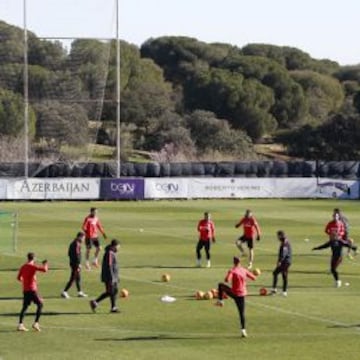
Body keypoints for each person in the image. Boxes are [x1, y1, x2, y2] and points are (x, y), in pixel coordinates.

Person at [215, 256, 257, 338]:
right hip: (242, 295)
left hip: (234, 293)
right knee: (241, 313)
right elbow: (254, 278)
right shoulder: (244, 270)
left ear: (234, 262)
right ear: (240, 262)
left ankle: (220, 301)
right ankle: (243, 330)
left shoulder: (233, 270)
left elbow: (227, 280)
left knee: (220, 285)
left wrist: (229, 274)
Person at [17, 252, 48, 332]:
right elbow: (45, 270)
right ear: (33, 258)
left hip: (25, 290)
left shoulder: (23, 266)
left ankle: (20, 324)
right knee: (40, 304)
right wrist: (45, 264)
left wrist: (26, 281)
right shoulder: (33, 266)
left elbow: (19, 278)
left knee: (25, 307)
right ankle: (36, 323)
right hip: (32, 290)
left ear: (27, 258)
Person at [90, 239, 120, 313]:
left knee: (114, 291)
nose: (118, 248)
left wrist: (116, 277)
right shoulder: (109, 253)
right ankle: (113, 308)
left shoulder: (112, 252)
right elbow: (109, 266)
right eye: (118, 246)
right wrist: (112, 278)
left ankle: (95, 302)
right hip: (109, 277)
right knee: (111, 291)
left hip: (113, 276)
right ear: (114, 246)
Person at [61, 231, 88, 299]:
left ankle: (80, 292)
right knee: (73, 278)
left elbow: (69, 253)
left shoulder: (74, 243)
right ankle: (65, 291)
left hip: (73, 263)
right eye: (83, 238)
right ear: (80, 237)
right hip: (75, 264)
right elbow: (77, 255)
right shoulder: (76, 244)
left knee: (78, 278)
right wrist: (78, 264)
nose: (84, 239)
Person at [271, 230, 292, 296]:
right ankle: (278, 290)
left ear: (280, 235)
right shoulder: (284, 241)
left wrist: (280, 261)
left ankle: (283, 291)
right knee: (277, 273)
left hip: (285, 262)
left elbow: (284, 253)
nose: (277, 237)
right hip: (286, 261)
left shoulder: (284, 243)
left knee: (282, 275)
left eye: (278, 236)